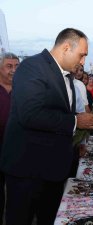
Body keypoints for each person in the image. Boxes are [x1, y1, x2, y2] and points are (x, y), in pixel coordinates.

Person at [0, 28, 93, 225]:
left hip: (52, 171)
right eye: (81, 55)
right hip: (27, 171)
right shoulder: (32, 67)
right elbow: (31, 114)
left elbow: (60, 113)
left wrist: (80, 128)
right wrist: (75, 121)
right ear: (65, 47)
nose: (83, 62)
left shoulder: (67, 76)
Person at [0, 52, 19, 225]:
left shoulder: (24, 91)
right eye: (9, 66)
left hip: (16, 152)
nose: (13, 70)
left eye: (16, 66)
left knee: (16, 199)